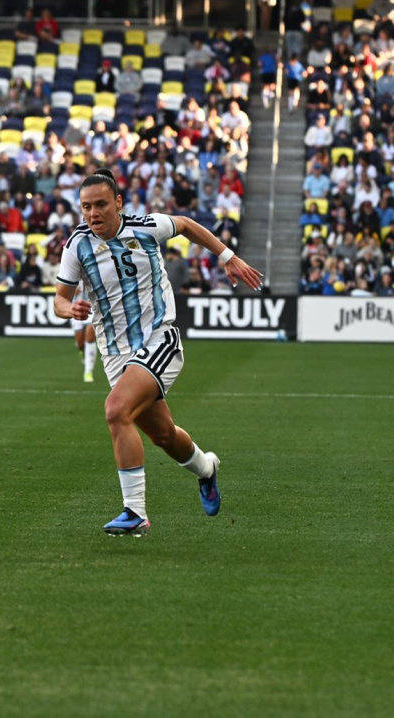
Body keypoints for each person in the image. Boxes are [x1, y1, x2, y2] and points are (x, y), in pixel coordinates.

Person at [53, 169, 262, 535]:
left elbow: (185, 224)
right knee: (164, 435)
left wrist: (227, 255)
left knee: (116, 411)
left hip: (158, 339)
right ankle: (207, 468)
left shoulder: (146, 226)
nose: (93, 213)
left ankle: (135, 513)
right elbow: (59, 298)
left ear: (118, 202)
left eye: (100, 204)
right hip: (116, 355)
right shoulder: (77, 245)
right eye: (86, 207)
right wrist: (68, 309)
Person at [71, 282, 98, 383]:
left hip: (93, 308)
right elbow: (63, 291)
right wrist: (75, 290)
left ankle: (88, 371)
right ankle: (81, 350)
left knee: (90, 336)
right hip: (77, 308)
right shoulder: (74, 270)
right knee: (80, 342)